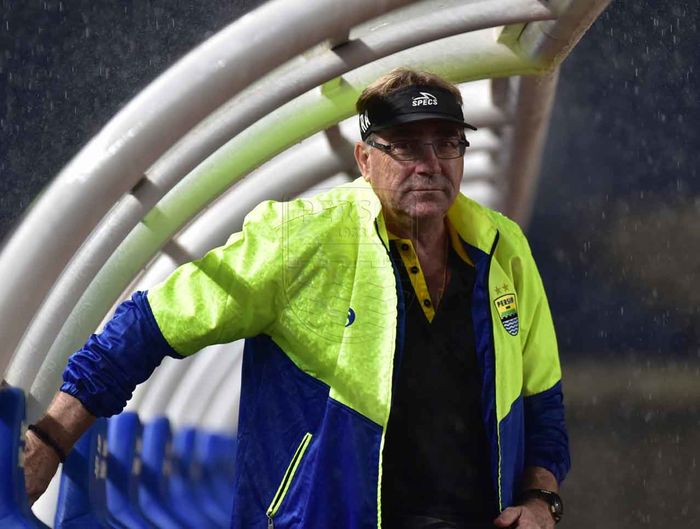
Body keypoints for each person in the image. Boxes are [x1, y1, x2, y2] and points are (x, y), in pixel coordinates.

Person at [24, 68, 570, 529]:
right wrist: (49, 439)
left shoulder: (503, 248)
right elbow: (149, 325)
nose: (430, 163)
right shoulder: (303, 237)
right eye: (405, 145)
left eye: (447, 142)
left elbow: (540, 400)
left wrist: (541, 500)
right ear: (364, 158)